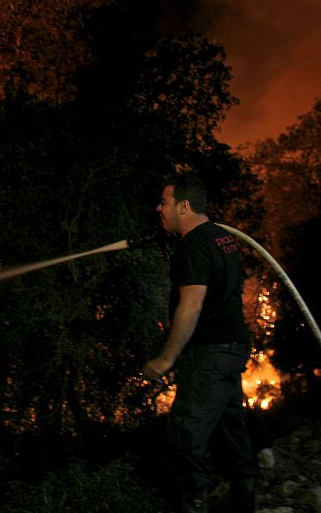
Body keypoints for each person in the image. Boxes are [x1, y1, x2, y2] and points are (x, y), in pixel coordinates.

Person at [143, 173, 257, 513]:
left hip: (211, 352)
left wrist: (166, 358)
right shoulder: (222, 238)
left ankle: (193, 505)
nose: (158, 208)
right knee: (231, 431)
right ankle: (244, 502)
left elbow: (191, 305)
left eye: (164, 202)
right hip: (231, 348)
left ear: (183, 206)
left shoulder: (193, 246)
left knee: (185, 437)